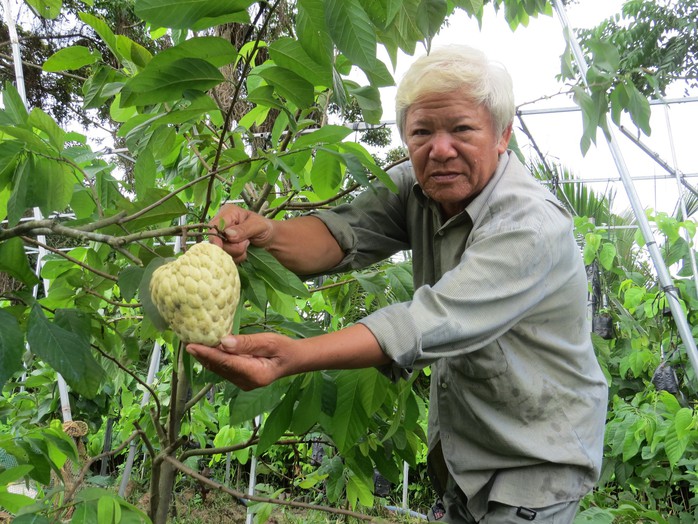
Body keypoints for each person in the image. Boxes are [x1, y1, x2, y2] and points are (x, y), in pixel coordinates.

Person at [186, 45, 609, 523]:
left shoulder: (529, 225)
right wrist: (264, 234)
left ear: (502, 134)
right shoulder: (417, 188)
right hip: (465, 459)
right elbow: (338, 235)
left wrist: (295, 356)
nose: (440, 149)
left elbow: (430, 320)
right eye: (422, 132)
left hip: (535, 463)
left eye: (462, 129)